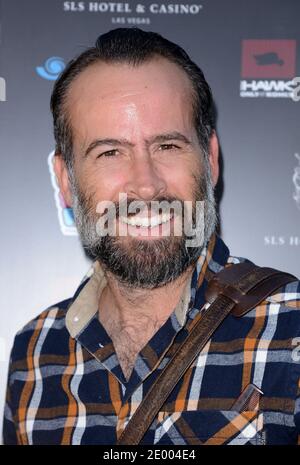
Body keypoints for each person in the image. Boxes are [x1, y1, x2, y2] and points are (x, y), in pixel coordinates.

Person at [3, 28, 300, 446]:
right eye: (109, 152)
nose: (145, 185)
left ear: (210, 160)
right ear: (65, 180)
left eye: (167, 146)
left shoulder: (291, 329)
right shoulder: (34, 354)